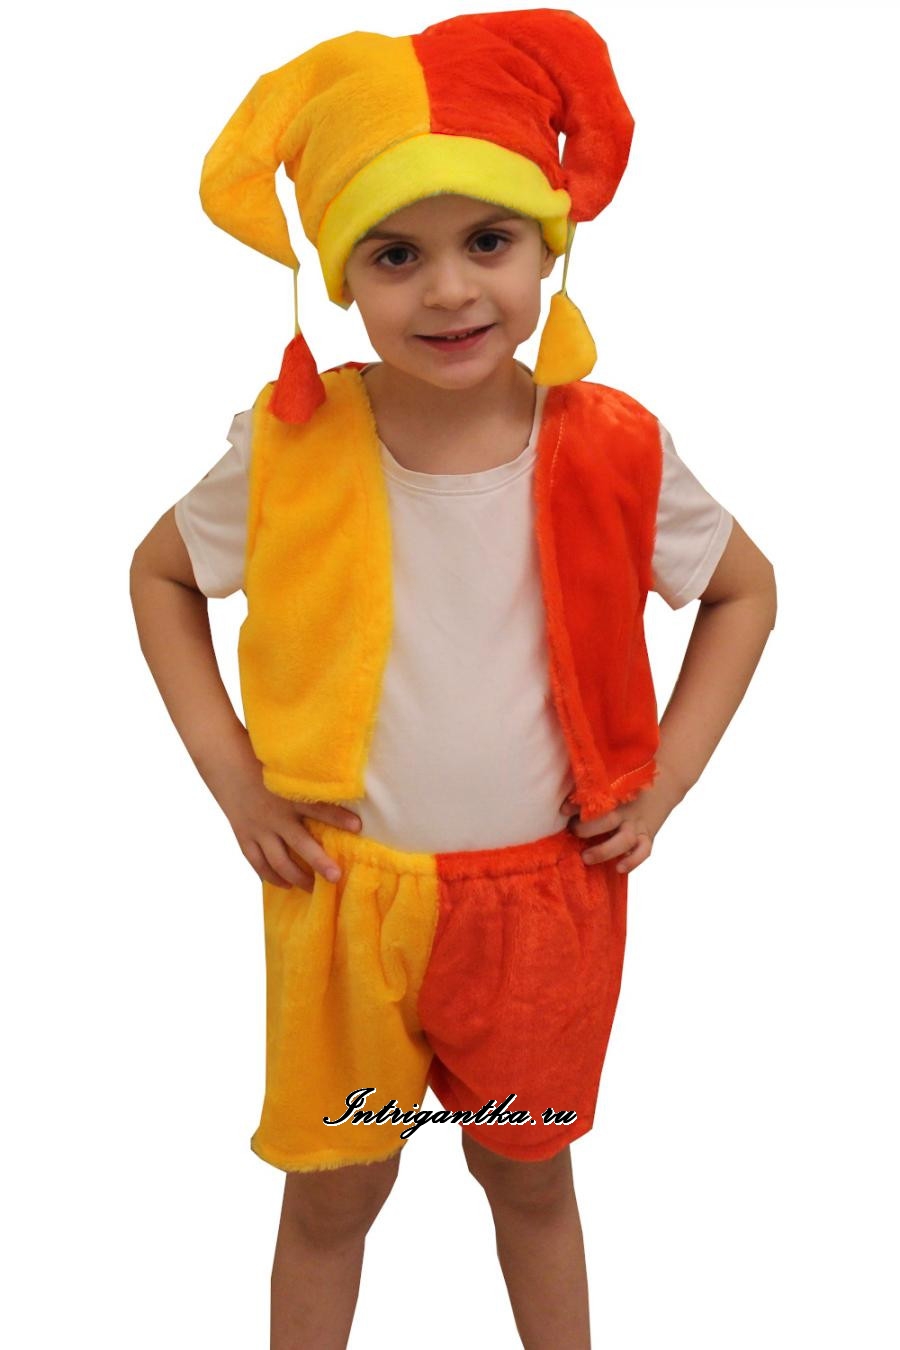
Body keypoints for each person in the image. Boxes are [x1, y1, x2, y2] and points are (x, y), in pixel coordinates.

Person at [129, 10, 777, 1347]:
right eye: (396, 254)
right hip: (344, 900)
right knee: (332, 1194)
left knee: (528, 1179)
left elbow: (744, 591)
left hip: (544, 906)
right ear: (342, 278)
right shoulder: (293, 446)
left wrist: (661, 779)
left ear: (549, 245)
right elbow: (161, 578)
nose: (447, 291)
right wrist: (232, 774)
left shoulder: (614, 447)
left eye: (487, 240)